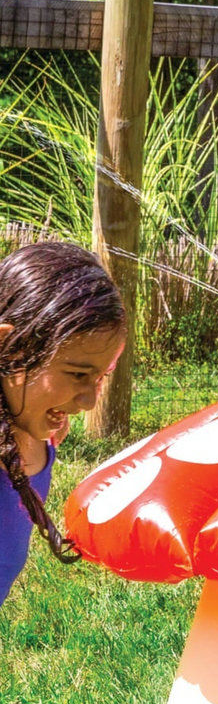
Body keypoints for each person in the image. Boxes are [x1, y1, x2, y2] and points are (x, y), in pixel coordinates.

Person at [0, 242, 126, 607]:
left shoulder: (36, 437)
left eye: (102, 376)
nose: (88, 401)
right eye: (76, 374)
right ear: (9, 348)